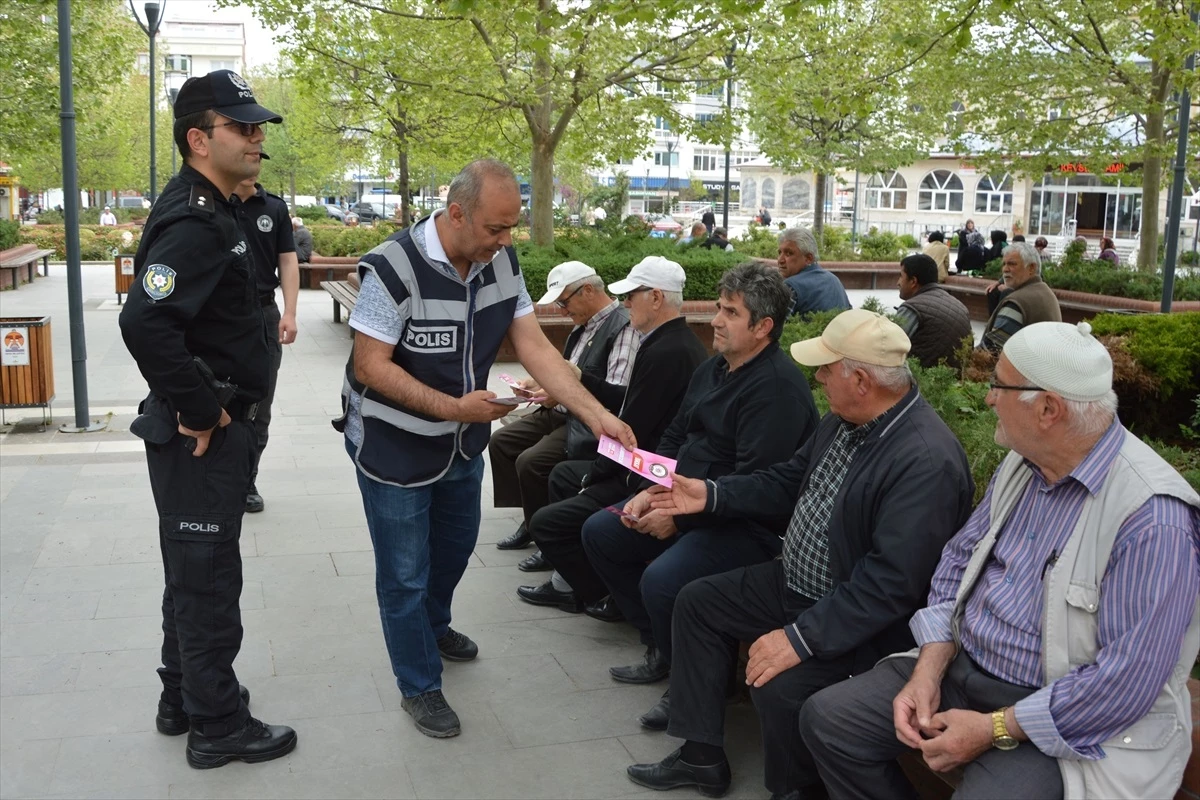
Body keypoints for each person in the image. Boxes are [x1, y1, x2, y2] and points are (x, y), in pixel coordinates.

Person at [801, 321, 1200, 800]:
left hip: (1061, 721)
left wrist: (994, 728)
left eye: (999, 385)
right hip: (961, 669)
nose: (988, 397)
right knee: (828, 721)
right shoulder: (1025, 462)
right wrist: (928, 670)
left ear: (1048, 408)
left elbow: (1124, 685)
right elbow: (958, 562)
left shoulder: (1152, 518)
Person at [335, 159, 634, 739]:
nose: (506, 242)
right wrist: (455, 408)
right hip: (393, 450)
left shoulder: (502, 262)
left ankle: (434, 623)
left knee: (450, 553)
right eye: (496, 229)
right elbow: (369, 366)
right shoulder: (393, 268)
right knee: (404, 573)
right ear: (455, 214)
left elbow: (538, 351)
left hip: (460, 447)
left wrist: (598, 416)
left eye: (511, 229)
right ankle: (419, 684)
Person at [625, 309, 974, 799]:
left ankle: (796, 791)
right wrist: (711, 494)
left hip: (858, 619)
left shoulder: (924, 460)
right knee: (698, 601)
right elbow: (788, 480)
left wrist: (801, 639)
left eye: (827, 370)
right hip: (797, 582)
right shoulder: (845, 419)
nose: (819, 378)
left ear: (860, 379)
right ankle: (700, 756)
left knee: (780, 685)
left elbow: (890, 584)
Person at [118, 69, 296, 768]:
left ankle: (180, 697)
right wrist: (204, 409)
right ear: (199, 138)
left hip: (214, 426)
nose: (257, 139)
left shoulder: (216, 208)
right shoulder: (195, 220)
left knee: (192, 570)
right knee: (208, 578)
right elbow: (146, 322)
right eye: (242, 128)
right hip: (203, 437)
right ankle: (217, 724)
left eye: (258, 128)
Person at [583, 261, 820, 730]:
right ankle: (664, 648)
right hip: (688, 498)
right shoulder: (716, 367)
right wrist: (656, 487)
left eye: (731, 313)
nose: (715, 320)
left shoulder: (777, 390)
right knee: (601, 532)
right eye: (718, 307)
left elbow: (758, 488)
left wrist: (678, 516)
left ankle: (698, 682)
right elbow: (675, 433)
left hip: (746, 526)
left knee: (664, 579)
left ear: (763, 327)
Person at [515, 257, 709, 617]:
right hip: (645, 465)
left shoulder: (667, 350)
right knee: (559, 475)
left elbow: (633, 428)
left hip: (646, 472)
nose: (624, 303)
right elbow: (633, 412)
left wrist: (598, 476)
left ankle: (609, 596)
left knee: (550, 521)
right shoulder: (666, 343)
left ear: (655, 297)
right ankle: (575, 582)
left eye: (630, 296)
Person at [488, 260, 637, 560]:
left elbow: (614, 392)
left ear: (588, 291)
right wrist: (540, 387)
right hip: (565, 410)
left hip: (588, 419)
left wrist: (562, 391)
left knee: (531, 461)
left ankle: (545, 533)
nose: (561, 310)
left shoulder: (623, 327)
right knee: (500, 442)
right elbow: (563, 372)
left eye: (563, 302)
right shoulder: (582, 327)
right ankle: (533, 519)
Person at [232, 177, 298, 514]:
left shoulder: (274, 207)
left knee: (260, 405)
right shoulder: (215, 201)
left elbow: (287, 260)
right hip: (221, 316)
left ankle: (247, 481)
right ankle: (219, 478)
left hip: (264, 314)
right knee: (218, 400)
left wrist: (289, 312)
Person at [892, 253, 973, 368]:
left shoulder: (912, 308)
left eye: (901, 276)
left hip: (922, 379)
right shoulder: (959, 305)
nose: (898, 282)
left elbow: (888, 347)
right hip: (956, 379)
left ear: (913, 281)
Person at [979, 242, 1061, 353]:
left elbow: (990, 351)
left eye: (1012, 264)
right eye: (1004, 264)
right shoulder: (1044, 291)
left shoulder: (1017, 302)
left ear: (1031, 268)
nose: (1005, 269)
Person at [776, 226, 851, 317]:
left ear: (808, 258)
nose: (780, 260)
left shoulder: (792, 286)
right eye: (780, 253)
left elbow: (774, 328)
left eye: (789, 253)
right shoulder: (834, 279)